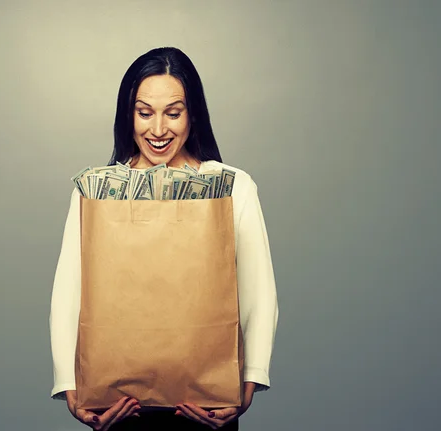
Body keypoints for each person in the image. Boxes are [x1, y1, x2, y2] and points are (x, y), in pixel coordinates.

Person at [49, 47, 279, 430]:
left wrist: (248, 383)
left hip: (206, 409)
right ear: (128, 116)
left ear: (193, 115)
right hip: (118, 407)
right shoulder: (95, 192)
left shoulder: (234, 187)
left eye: (173, 113)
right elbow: (69, 288)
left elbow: (259, 290)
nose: (158, 130)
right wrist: (69, 384)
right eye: (144, 113)